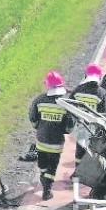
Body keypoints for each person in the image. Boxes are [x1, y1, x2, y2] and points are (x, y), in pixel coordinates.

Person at [29, 70, 74, 201]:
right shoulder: (65, 104)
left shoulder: (39, 100)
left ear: (47, 85)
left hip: (41, 142)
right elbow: (69, 126)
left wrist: (39, 127)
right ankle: (47, 191)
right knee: (52, 168)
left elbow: (33, 118)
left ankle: (43, 177)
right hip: (56, 144)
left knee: (42, 165)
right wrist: (64, 130)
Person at [70, 63, 106, 169]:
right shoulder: (102, 93)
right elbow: (105, 114)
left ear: (86, 76)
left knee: (80, 151)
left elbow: (70, 106)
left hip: (81, 126)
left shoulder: (77, 90)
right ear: (99, 77)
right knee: (94, 152)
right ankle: (91, 175)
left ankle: (77, 174)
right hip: (94, 130)